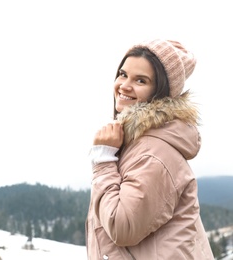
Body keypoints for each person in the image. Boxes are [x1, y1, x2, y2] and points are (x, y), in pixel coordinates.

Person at [85, 39, 214, 259]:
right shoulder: (139, 142)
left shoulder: (154, 152)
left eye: (141, 80)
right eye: (123, 74)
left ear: (160, 92)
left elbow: (121, 226)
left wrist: (103, 161)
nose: (124, 85)